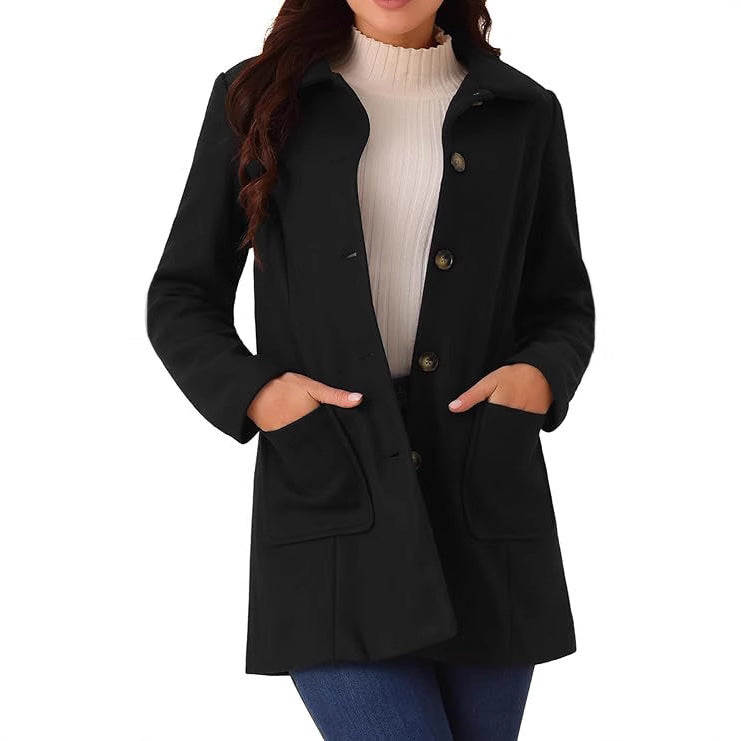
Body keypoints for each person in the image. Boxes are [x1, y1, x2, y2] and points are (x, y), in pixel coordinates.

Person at [146, 0, 595, 738]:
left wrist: (539, 378)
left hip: (481, 497)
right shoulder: (261, 97)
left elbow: (562, 305)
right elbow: (181, 296)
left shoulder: (524, 111)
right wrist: (259, 395)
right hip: (333, 488)